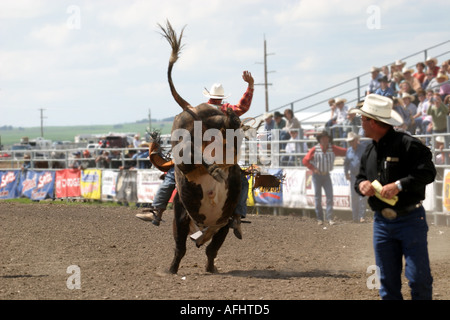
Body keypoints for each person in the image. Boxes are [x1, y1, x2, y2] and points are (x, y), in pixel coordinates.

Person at [137, 71, 255, 239]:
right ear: (222, 98)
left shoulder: (198, 111)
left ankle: (157, 210)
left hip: (196, 158)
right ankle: (237, 215)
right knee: (242, 181)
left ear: (209, 97)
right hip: (221, 160)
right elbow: (243, 107)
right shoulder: (227, 111)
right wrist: (250, 87)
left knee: (172, 175)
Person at [349, 93, 436, 300]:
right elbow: (359, 178)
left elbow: (428, 172)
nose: (360, 123)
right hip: (382, 222)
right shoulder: (368, 151)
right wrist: (362, 184)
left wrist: (398, 185)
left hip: (410, 219)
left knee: (418, 279)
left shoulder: (408, 144)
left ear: (374, 122)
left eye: (363, 119)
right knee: (387, 282)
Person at [302, 130, 347, 225]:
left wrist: (353, 150)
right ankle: (320, 219)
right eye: (323, 138)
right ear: (320, 140)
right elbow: (305, 160)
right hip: (317, 176)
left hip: (326, 175)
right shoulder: (315, 149)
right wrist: (313, 169)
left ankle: (329, 218)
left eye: (326, 138)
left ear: (329, 139)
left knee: (329, 196)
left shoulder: (332, 148)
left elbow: (344, 152)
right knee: (318, 198)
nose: (325, 140)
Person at [343, 132, 367, 223]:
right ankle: (355, 217)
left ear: (356, 140)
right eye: (350, 141)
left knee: (362, 196)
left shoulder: (363, 149)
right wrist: (346, 173)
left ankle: (361, 216)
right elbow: (346, 163)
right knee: (354, 197)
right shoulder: (349, 151)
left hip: (362, 175)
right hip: (353, 176)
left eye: (352, 141)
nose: (351, 143)